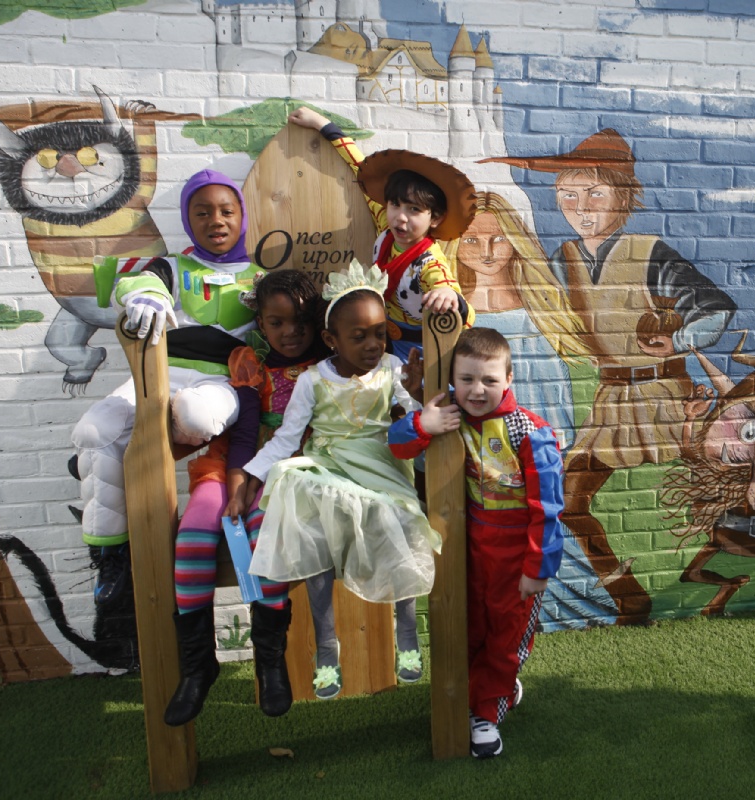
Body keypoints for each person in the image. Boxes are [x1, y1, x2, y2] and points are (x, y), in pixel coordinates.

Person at [482, 129, 737, 625]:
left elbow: (716, 307)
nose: (581, 208)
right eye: (568, 195)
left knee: (717, 485)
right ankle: (628, 595)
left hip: (665, 395)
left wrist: (680, 341)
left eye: (595, 194)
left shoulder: (649, 251)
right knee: (568, 500)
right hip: (612, 400)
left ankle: (716, 574)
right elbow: (537, 306)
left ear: (624, 196)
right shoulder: (562, 260)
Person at [289, 106, 477, 679]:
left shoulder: (430, 258)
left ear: (433, 219)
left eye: (415, 210)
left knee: (418, 422)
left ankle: (421, 496)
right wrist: (324, 128)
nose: (401, 216)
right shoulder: (386, 226)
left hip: (420, 353)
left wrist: (449, 298)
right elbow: (358, 167)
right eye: (397, 205)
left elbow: (452, 295)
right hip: (383, 343)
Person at [242, 261, 439, 699]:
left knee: (403, 522)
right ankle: (327, 646)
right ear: (331, 339)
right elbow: (286, 440)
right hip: (330, 465)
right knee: (314, 528)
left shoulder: (392, 368)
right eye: (359, 336)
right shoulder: (313, 381)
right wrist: (250, 475)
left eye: (379, 334)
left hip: (381, 466)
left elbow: (414, 421)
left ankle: (407, 633)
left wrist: (417, 395)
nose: (372, 345)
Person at [73, 169, 263, 607]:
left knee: (194, 416)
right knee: (93, 431)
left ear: (241, 216)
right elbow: (136, 282)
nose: (216, 221)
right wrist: (148, 294)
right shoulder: (173, 267)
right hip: (164, 372)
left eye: (226, 211)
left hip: (221, 380)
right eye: (202, 212)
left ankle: (117, 457)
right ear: (187, 219)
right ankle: (111, 553)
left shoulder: (259, 276)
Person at [443, 191, 621, 630]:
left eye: (498, 239)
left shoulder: (538, 311)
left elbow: (554, 390)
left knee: (540, 520)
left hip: (529, 449)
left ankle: (563, 607)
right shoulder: (453, 313)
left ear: (516, 240)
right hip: (472, 456)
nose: (486, 251)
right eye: (471, 240)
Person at [389, 327, 564, 759]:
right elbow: (398, 446)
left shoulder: (530, 431)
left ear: (509, 379)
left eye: (489, 379)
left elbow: (548, 507)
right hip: (467, 553)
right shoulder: (452, 416)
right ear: (453, 380)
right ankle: (481, 696)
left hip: (516, 560)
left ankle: (486, 712)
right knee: (469, 631)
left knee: (506, 637)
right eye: (466, 379)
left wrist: (537, 569)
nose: (477, 390)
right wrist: (422, 422)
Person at [165, 269, 327, 725]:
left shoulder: (328, 366)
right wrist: (237, 488)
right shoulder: (251, 366)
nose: (290, 332)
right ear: (260, 323)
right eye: (277, 323)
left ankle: (269, 660)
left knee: (266, 533)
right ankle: (197, 666)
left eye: (300, 321)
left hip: (287, 469)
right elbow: (241, 437)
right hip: (233, 463)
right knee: (193, 534)